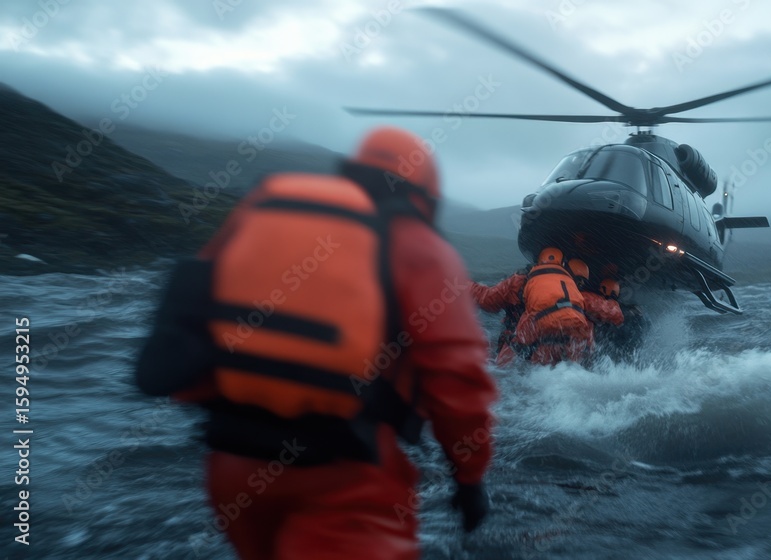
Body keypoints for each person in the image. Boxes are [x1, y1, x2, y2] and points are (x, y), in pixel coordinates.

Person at [135, 126, 498, 560]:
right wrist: (469, 479)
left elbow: (197, 309)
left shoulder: (269, 209)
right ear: (425, 192)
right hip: (348, 471)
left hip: (233, 464)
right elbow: (457, 376)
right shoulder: (422, 247)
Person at [511, 247, 592, 366]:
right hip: (573, 332)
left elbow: (529, 319)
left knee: (514, 346)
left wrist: (517, 343)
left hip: (542, 334)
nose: (581, 284)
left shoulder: (529, 281)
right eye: (580, 280)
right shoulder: (577, 293)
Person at [470, 264, 530, 367]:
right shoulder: (562, 279)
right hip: (554, 348)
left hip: (519, 348)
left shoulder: (521, 279)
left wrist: (462, 284)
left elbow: (487, 300)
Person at [568, 263, 624, 359]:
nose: (582, 283)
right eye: (580, 280)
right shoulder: (583, 298)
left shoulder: (559, 292)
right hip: (578, 350)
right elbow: (616, 315)